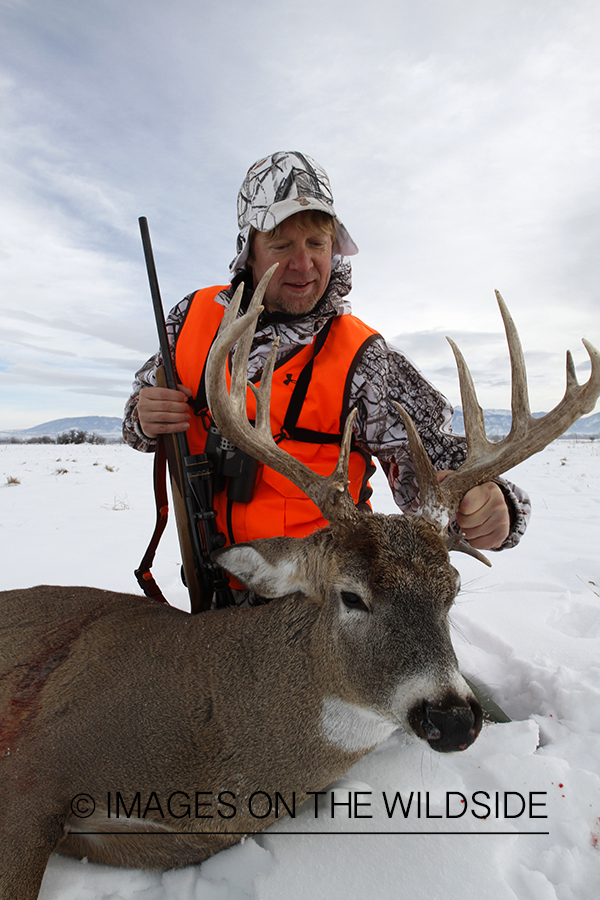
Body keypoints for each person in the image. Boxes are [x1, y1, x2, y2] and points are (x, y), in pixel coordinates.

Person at [123, 152, 530, 602]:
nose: (303, 264)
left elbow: (437, 466)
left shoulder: (364, 360)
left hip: (326, 606)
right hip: (213, 588)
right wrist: (144, 416)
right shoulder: (192, 319)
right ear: (249, 251)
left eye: (317, 243)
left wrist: (490, 505)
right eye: (281, 246)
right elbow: (139, 422)